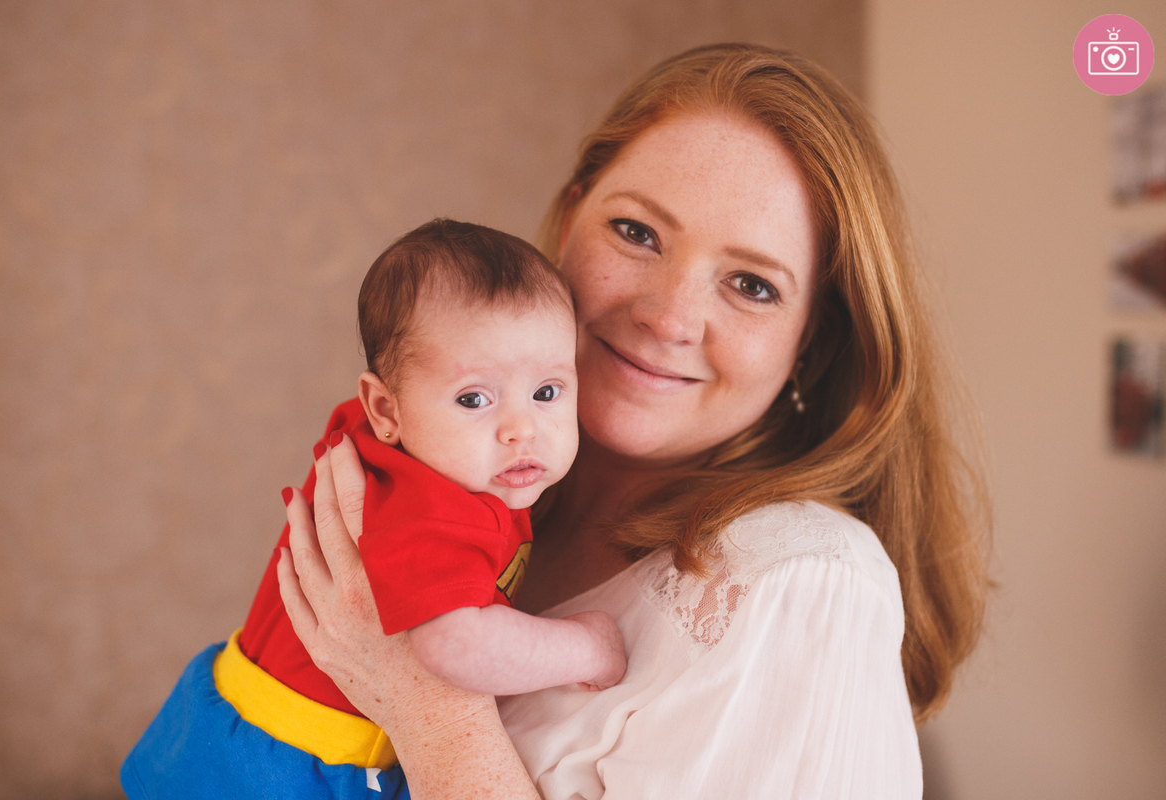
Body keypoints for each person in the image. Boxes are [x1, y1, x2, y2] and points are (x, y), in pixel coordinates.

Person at [279, 43, 991, 799]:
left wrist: (430, 707)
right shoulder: (468, 487)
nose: (668, 316)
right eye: (638, 233)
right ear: (570, 217)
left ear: (811, 337)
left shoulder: (803, 582)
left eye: (751, 284)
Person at [120, 220, 627, 799]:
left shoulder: (395, 447)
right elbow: (455, 646)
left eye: (547, 392)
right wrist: (590, 646)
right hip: (287, 767)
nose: (522, 430)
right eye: (474, 398)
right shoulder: (433, 504)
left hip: (239, 723)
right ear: (385, 408)